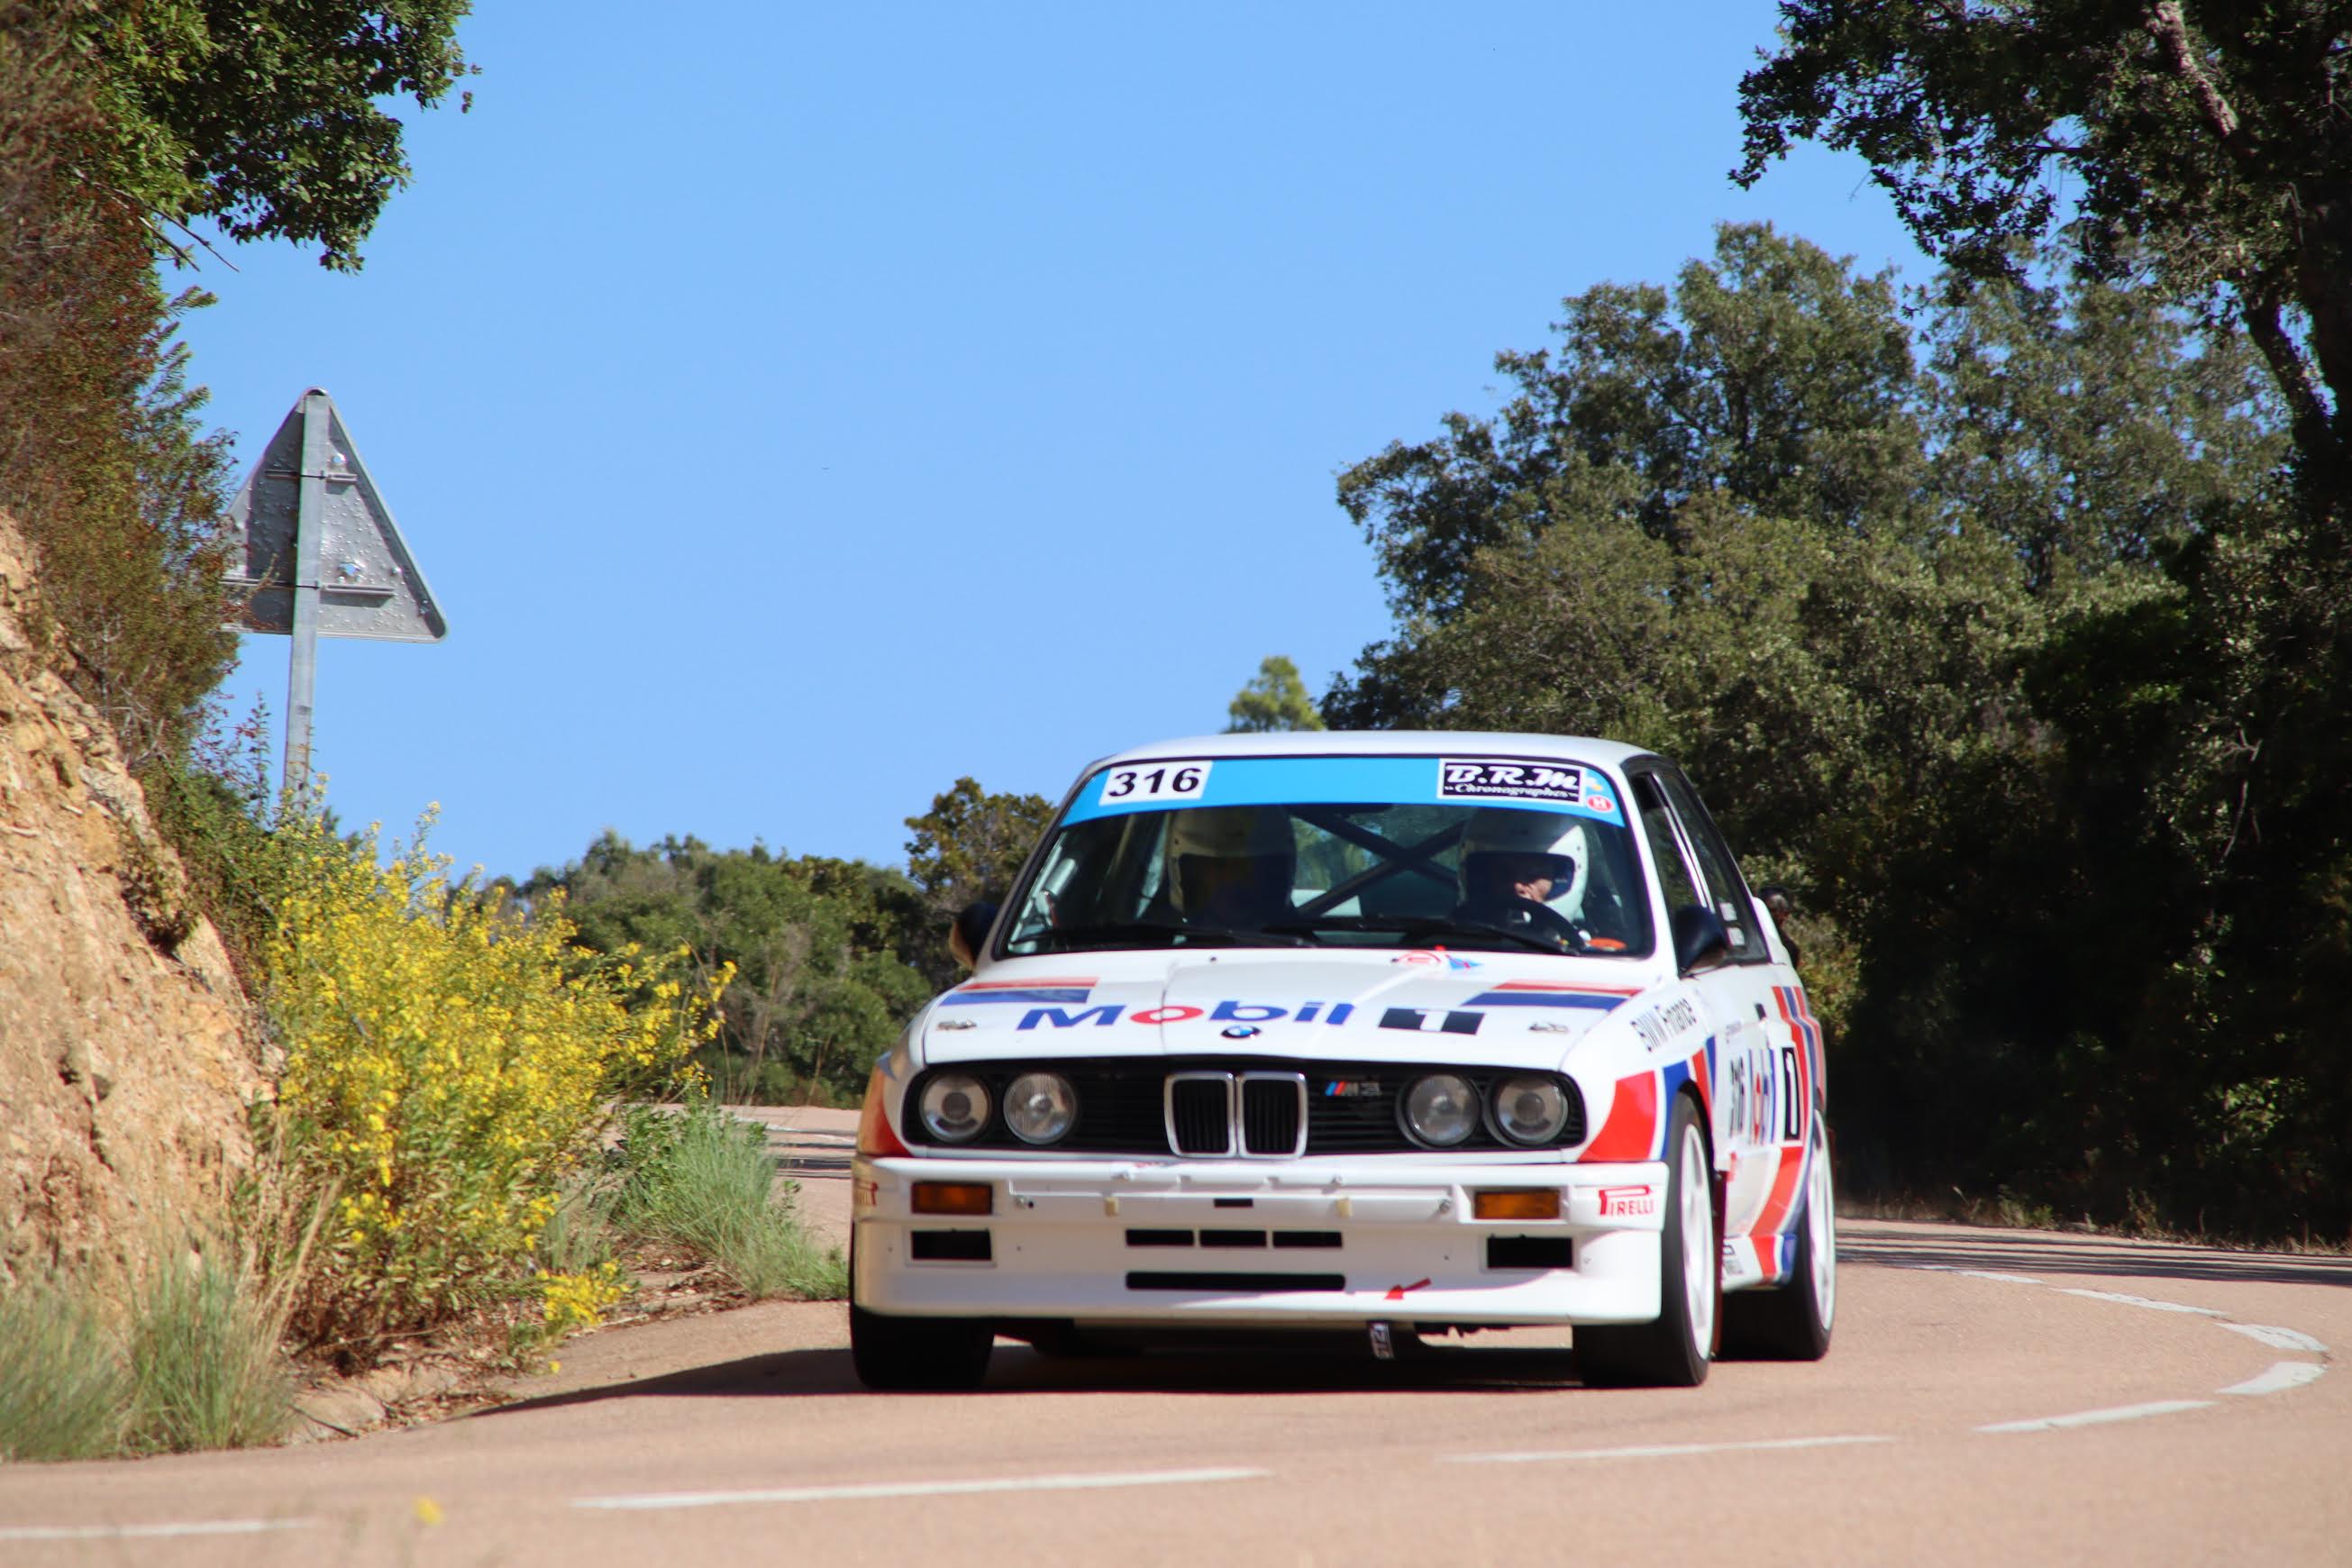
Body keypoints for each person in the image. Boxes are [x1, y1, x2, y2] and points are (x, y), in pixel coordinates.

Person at [1454, 808, 1588, 941]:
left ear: (1560, 879)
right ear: (1482, 878)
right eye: (1503, 873)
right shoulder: (1447, 945)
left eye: (1533, 875)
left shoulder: (1593, 957)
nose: (1517, 886)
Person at [1162, 807, 1296, 929]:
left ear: (1272, 873)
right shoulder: (1155, 951)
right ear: (1190, 873)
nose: (1235, 878)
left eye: (1248, 865)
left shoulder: (1308, 951)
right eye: (1219, 866)